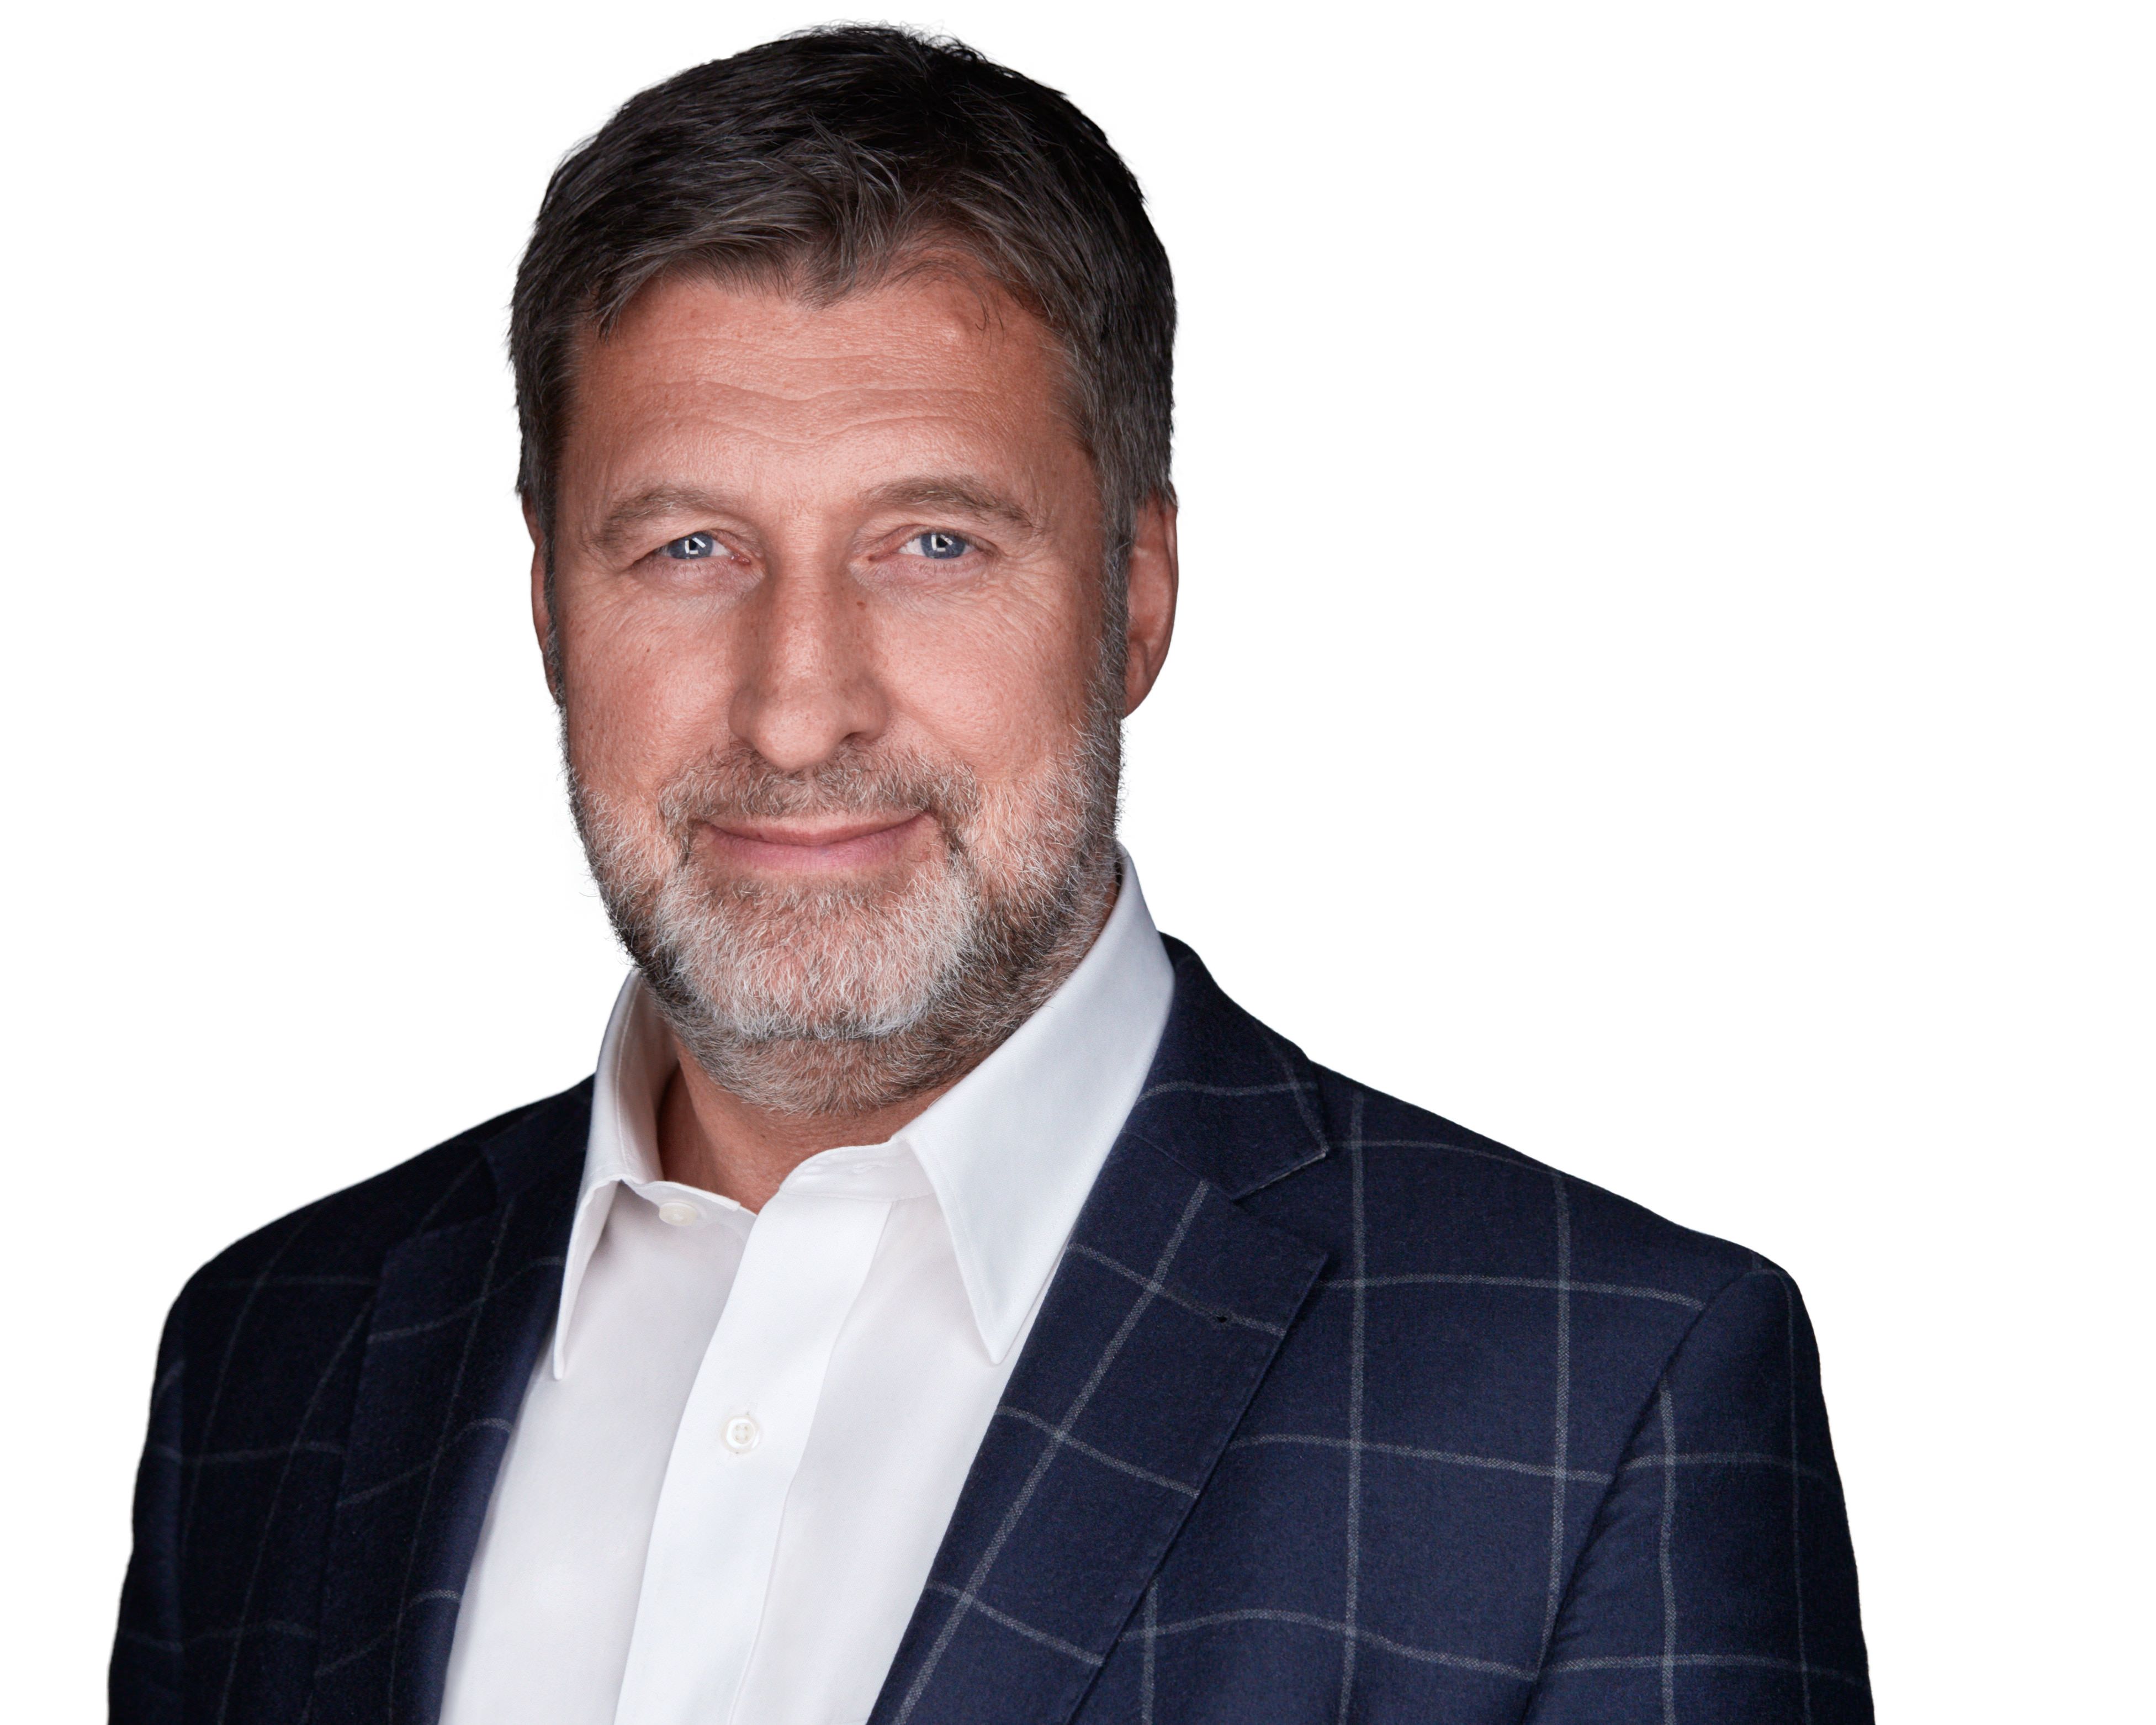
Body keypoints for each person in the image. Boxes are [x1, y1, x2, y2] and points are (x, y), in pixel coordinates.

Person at [110, 26, 1869, 1725]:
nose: (798, 708)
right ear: (549, 609)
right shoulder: (273, 1354)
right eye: (690, 546)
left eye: (933, 543)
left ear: (1133, 597)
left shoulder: (1595, 1401)